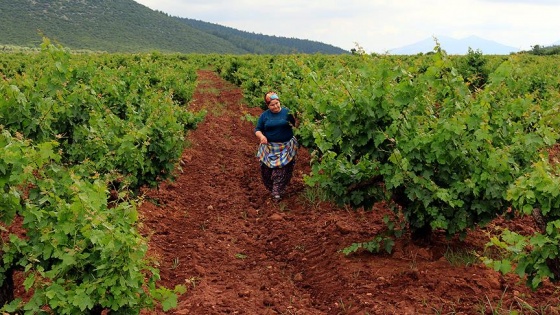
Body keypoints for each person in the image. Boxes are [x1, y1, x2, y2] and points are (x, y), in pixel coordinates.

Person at [255, 91, 299, 202]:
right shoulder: (264, 116)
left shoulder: (287, 113)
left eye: (277, 103)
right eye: (272, 105)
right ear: (268, 105)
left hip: (286, 146)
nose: (276, 106)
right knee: (266, 172)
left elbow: (296, 126)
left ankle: (276, 192)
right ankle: (274, 188)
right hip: (269, 147)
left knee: (280, 170)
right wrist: (261, 137)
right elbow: (258, 129)